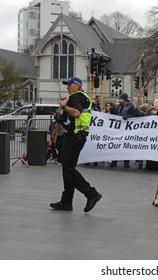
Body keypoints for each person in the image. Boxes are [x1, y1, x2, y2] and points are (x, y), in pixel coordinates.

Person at [50, 77, 102, 213]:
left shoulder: (76, 97)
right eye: (67, 85)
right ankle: (66, 201)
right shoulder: (80, 96)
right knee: (67, 168)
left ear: (77, 86)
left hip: (75, 137)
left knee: (68, 168)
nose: (67, 87)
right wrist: (61, 114)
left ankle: (91, 193)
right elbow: (70, 117)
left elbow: (77, 113)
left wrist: (64, 106)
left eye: (69, 84)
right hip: (75, 136)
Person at [110, 92, 146, 168]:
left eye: (121, 99)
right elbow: (114, 114)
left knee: (125, 145)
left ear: (125, 99)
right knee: (116, 145)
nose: (120, 100)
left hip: (127, 129)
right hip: (118, 128)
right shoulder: (118, 106)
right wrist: (112, 108)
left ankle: (126, 162)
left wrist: (128, 117)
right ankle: (114, 161)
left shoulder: (131, 106)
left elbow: (137, 116)